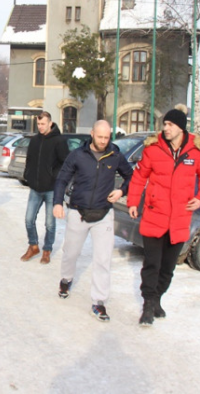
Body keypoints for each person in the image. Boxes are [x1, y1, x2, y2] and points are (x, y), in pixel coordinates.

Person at [127, 107, 200, 327]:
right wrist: (133, 202)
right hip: (154, 215)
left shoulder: (196, 151)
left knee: (168, 267)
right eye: (164, 124)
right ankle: (148, 305)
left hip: (179, 219)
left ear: (180, 128)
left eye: (170, 125)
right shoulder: (153, 149)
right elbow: (139, 176)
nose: (165, 128)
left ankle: (157, 298)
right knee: (152, 265)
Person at [53, 120, 133, 322]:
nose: (104, 141)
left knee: (103, 260)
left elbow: (131, 176)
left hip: (103, 215)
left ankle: (99, 302)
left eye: (107, 137)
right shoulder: (78, 155)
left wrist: (121, 190)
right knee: (71, 253)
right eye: (100, 137)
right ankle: (66, 279)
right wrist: (57, 203)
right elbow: (62, 178)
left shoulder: (115, 156)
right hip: (78, 212)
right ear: (92, 134)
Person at [20, 111, 70, 265]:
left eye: (43, 124)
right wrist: (27, 175)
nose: (40, 127)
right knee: (28, 219)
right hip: (35, 188)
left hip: (51, 189)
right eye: (39, 124)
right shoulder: (34, 140)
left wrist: (54, 176)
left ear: (50, 123)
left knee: (49, 223)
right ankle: (33, 245)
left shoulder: (59, 141)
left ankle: (47, 249)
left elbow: (65, 163)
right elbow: (29, 159)